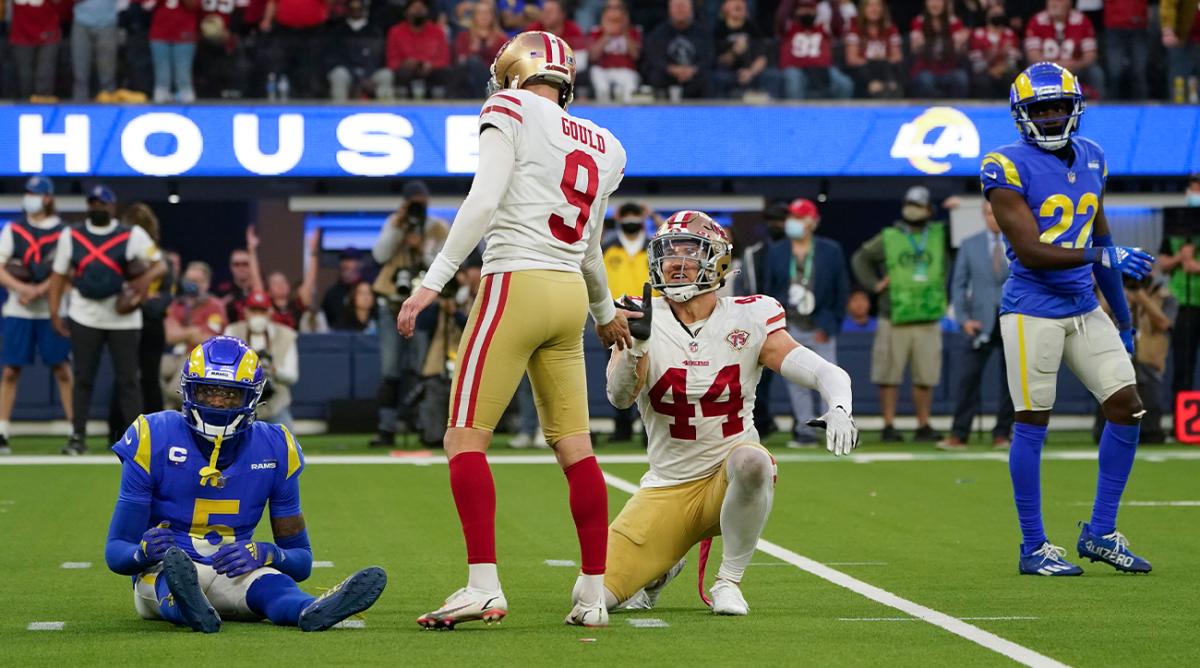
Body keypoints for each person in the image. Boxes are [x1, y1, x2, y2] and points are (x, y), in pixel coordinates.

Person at [395, 30, 633, 629]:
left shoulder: (507, 105)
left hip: (514, 284)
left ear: (513, 70)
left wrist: (434, 281)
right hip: (568, 296)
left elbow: (482, 200)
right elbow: (589, 247)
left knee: (464, 438)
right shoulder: (607, 144)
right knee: (576, 446)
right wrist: (604, 315)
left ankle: (483, 586)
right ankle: (593, 591)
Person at [588, 210, 857, 617]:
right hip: (668, 484)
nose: (676, 263)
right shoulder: (642, 316)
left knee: (753, 460)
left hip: (728, 474)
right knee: (588, 598)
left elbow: (822, 370)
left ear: (717, 262)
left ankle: (729, 581)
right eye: (668, 253)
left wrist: (840, 407)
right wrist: (636, 348)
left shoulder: (750, 316)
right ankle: (665, 566)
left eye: (689, 253)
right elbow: (620, 398)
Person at [982, 61, 1155, 575]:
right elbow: (1032, 251)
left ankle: (1101, 532)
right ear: (1023, 115)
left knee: (1128, 406)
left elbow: (1099, 236)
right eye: (1042, 109)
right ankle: (1033, 546)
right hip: (1032, 307)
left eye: (1060, 106)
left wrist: (1122, 318)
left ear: (1075, 108)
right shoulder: (1003, 165)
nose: (1053, 116)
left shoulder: (1095, 157)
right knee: (1033, 421)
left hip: (1083, 306)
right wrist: (1103, 259)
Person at [103, 336, 387, 634]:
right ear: (188, 390)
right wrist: (143, 552)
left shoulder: (277, 446)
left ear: (251, 397)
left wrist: (265, 553)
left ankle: (309, 609)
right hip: (162, 570)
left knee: (275, 583)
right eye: (208, 391)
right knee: (168, 580)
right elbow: (117, 550)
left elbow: (301, 560)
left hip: (234, 572)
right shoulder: (152, 435)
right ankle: (189, 607)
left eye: (230, 395)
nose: (217, 403)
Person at [48, 185, 165, 455]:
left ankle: (137, 440)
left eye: (103, 203)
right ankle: (77, 436)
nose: (98, 207)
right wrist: (55, 312)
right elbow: (58, 274)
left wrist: (139, 282)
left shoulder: (131, 235)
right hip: (84, 312)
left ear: (112, 207)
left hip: (122, 316)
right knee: (83, 377)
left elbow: (158, 264)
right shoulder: (72, 234)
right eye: (94, 203)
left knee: (128, 380)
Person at [851, 186, 950, 443]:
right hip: (893, 314)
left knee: (926, 375)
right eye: (909, 203)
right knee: (888, 375)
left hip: (927, 314)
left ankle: (923, 424)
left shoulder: (940, 235)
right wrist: (874, 285)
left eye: (918, 204)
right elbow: (860, 258)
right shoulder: (891, 237)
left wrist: (958, 211)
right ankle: (889, 424)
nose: (912, 209)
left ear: (930, 210)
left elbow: (964, 238)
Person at [370, 181, 448, 446]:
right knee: (389, 369)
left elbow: (443, 264)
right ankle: (386, 428)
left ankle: (424, 425)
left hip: (422, 304)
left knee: (422, 368)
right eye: (412, 201)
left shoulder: (437, 228)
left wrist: (421, 247)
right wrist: (397, 226)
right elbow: (380, 255)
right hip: (391, 302)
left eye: (420, 201)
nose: (417, 206)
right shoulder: (395, 223)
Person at [765, 198, 848, 448]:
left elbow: (840, 290)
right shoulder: (777, 251)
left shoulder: (830, 250)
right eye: (792, 216)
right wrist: (777, 324)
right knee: (796, 382)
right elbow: (770, 289)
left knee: (829, 379)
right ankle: (805, 431)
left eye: (799, 217)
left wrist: (831, 325)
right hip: (789, 325)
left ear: (812, 222)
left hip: (821, 324)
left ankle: (834, 428)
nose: (793, 222)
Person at [0, 176, 72, 455]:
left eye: (36, 193)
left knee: (62, 369)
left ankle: (73, 430)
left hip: (52, 310)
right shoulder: (14, 230)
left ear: (48, 198)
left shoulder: (64, 232)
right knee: (10, 370)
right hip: (18, 309)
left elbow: (66, 271)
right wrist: (22, 288)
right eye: (27, 192)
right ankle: (3, 430)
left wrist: (42, 289)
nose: (30, 197)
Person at [939, 198, 1014, 450]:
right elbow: (958, 285)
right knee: (967, 379)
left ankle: (1002, 433)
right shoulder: (970, 245)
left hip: (1012, 320)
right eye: (988, 213)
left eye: (996, 213)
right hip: (979, 323)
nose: (993, 218)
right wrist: (962, 320)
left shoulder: (1018, 243)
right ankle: (959, 434)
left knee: (1012, 381)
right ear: (983, 215)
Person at [107, 203, 174, 443]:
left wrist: (140, 301)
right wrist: (146, 299)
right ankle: (126, 431)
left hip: (143, 321)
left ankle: (139, 432)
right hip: (130, 321)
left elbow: (164, 297)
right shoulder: (124, 258)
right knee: (130, 377)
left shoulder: (160, 258)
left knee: (138, 377)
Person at [603, 203, 652, 443]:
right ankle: (621, 428)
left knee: (650, 373)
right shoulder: (607, 246)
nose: (631, 219)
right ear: (619, 218)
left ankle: (648, 430)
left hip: (651, 318)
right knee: (616, 373)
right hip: (615, 318)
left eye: (637, 214)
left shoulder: (654, 246)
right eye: (627, 215)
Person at [225, 291, 299, 430]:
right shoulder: (232, 331)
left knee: (287, 446)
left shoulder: (286, 335)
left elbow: (292, 376)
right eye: (254, 310)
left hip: (274, 403)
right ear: (245, 312)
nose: (257, 315)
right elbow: (226, 368)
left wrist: (273, 370)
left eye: (262, 311)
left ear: (270, 312)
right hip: (240, 405)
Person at [1158, 175, 1200, 399]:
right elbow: (1162, 264)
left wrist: (1195, 266)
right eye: (1193, 188)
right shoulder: (1176, 227)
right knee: (1183, 364)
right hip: (1182, 305)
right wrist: (1179, 259)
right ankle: (1180, 420)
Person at [1024, 0, 1104, 99]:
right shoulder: (1036, 21)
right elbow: (1033, 55)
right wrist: (1055, 66)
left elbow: (1090, 54)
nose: (1053, 4)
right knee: (1029, 71)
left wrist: (1075, 64)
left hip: (1075, 67)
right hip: (1045, 69)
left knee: (1095, 72)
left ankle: (1100, 105)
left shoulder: (1082, 21)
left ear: (1069, 3)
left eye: (1059, 1)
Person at [779, 0, 854, 100]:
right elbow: (781, 18)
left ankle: (838, 114)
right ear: (796, 11)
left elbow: (837, 26)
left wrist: (833, 3)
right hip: (796, 69)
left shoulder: (823, 28)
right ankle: (795, 114)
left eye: (811, 9)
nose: (807, 11)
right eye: (803, 8)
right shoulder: (790, 28)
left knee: (845, 83)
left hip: (823, 69)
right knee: (794, 80)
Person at [643, 0, 714, 100]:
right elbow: (654, 58)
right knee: (656, 75)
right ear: (670, 10)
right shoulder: (658, 33)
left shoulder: (702, 33)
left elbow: (708, 57)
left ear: (691, 10)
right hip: (668, 74)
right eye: (676, 6)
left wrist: (693, 70)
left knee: (708, 78)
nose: (680, 10)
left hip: (694, 75)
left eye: (683, 6)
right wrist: (671, 69)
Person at [325, 0, 394, 102]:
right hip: (348, 73)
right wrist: (356, 76)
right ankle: (339, 111)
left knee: (386, 74)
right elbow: (336, 57)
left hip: (370, 73)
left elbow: (379, 57)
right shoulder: (338, 31)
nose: (356, 11)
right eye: (352, 9)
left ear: (365, 10)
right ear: (347, 10)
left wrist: (366, 75)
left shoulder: (375, 31)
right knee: (338, 74)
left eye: (359, 9)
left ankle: (386, 111)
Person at [386, 0, 453, 98]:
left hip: (432, 72)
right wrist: (405, 64)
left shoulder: (437, 31)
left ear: (427, 11)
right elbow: (391, 61)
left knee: (447, 73)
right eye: (414, 8)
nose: (418, 11)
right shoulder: (395, 32)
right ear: (406, 11)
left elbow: (444, 59)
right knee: (402, 74)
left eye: (421, 8)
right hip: (405, 73)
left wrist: (431, 65)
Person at [713, 0, 777, 99]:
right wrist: (734, 52)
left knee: (772, 76)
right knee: (719, 78)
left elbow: (762, 58)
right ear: (724, 7)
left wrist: (750, 73)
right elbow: (718, 60)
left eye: (741, 2)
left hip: (752, 71)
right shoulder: (718, 29)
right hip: (728, 72)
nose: (738, 4)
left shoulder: (752, 27)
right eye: (733, 2)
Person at [908, 0, 969, 98]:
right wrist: (918, 43)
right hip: (926, 70)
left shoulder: (955, 22)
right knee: (926, 80)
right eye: (931, 1)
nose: (935, 4)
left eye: (938, 1)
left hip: (948, 69)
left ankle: (955, 110)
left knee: (960, 78)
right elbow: (914, 50)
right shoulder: (918, 22)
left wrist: (962, 43)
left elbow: (959, 51)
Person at [844, 0, 903, 98]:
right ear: (863, 9)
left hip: (885, 68)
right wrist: (871, 61)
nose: (874, 9)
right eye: (870, 6)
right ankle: (875, 85)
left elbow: (897, 57)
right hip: (864, 72)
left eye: (878, 5)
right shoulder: (854, 27)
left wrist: (881, 59)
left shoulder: (891, 28)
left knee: (888, 67)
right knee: (865, 70)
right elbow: (852, 59)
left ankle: (890, 86)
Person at [166, 262, 228, 351]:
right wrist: (191, 333)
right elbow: (169, 336)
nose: (190, 284)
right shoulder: (176, 304)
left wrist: (182, 334)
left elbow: (212, 340)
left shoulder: (215, 306)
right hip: (178, 358)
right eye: (188, 280)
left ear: (206, 283)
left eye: (195, 281)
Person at [587, 3, 642, 102]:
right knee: (597, 76)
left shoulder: (634, 31)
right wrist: (607, 34)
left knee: (629, 86)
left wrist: (624, 31)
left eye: (617, 9)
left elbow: (636, 56)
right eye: (610, 9)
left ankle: (628, 112)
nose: (614, 13)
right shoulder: (596, 31)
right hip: (603, 70)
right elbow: (593, 57)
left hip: (626, 71)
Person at [146, 0, 199, 103]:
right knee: (162, 77)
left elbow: (194, 6)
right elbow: (147, 6)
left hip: (185, 35)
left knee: (183, 76)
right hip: (160, 34)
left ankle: (188, 108)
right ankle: (160, 106)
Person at [9, 0, 62, 101]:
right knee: (24, 79)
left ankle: (45, 111)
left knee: (45, 77)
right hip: (21, 33)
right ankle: (23, 108)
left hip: (48, 32)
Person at [453, 0, 509, 98]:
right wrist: (472, 50)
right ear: (474, 16)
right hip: (469, 82)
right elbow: (460, 60)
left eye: (487, 13)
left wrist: (489, 49)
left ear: (492, 16)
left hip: (494, 80)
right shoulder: (464, 37)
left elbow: (504, 65)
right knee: (473, 62)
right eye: (480, 13)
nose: (484, 16)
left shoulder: (501, 39)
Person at [968, 2, 1021, 98]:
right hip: (984, 73)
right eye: (995, 14)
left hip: (1006, 72)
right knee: (983, 81)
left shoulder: (1010, 35)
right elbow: (976, 66)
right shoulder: (978, 35)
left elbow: (1014, 62)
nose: (997, 17)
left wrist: (1001, 68)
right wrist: (990, 60)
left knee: (1011, 77)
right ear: (987, 15)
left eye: (1000, 15)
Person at [72, 0, 120, 101]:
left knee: (107, 69)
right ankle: (79, 104)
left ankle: (109, 102)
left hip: (107, 22)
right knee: (80, 68)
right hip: (81, 22)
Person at [1103, 0, 1149, 100]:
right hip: (1115, 26)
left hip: (1138, 26)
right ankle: (1110, 110)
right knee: (1115, 73)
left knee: (1139, 72)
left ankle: (1144, 110)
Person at [1161, 0, 1200, 103]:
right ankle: (1176, 114)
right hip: (1182, 38)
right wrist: (1168, 29)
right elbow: (1168, 5)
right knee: (1178, 81)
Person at [320, 249, 363, 328]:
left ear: (359, 264)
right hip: (337, 337)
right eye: (343, 260)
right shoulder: (332, 293)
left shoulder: (366, 290)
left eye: (350, 260)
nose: (346, 264)